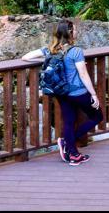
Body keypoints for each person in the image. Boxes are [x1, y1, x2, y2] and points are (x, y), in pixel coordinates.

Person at [21, 21, 100, 165]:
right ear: (70, 32)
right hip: (78, 92)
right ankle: (67, 144)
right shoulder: (76, 51)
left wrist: (46, 59)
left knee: (69, 121)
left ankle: (73, 154)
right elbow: (83, 74)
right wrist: (93, 94)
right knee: (97, 116)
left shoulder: (50, 50)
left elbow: (26, 57)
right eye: (74, 30)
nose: (76, 32)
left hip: (61, 92)